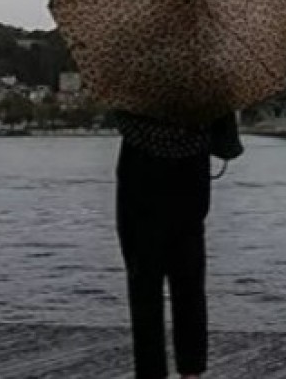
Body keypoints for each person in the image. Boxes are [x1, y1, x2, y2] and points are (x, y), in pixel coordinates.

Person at [113, 109, 238, 379]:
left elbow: (118, 116)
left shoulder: (135, 81)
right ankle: (191, 371)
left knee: (143, 287)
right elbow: (228, 147)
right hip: (189, 190)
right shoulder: (207, 85)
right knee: (190, 285)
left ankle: (150, 371)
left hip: (139, 191)